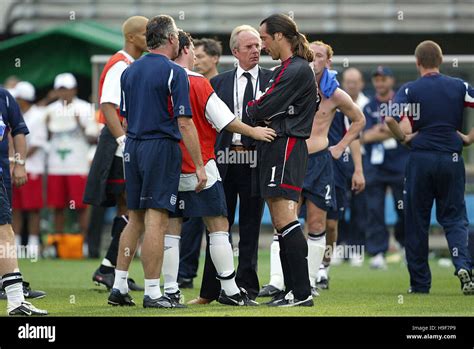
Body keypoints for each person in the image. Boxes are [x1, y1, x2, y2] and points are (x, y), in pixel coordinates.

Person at [162, 30, 276, 307]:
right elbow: (220, 120)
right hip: (215, 160)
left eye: (258, 45)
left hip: (248, 160)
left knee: (245, 227)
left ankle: (165, 291)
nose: (255, 50)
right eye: (248, 46)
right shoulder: (209, 82)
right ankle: (219, 290)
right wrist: (252, 131)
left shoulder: (272, 80)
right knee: (216, 224)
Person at [107, 15, 206, 309]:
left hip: (132, 147)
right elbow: (185, 122)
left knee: (134, 218)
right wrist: (199, 165)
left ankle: (118, 286)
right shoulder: (174, 72)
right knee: (156, 218)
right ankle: (152, 292)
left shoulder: (129, 71)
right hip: (160, 147)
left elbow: (123, 116)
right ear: (172, 39)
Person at [386, 40, 474, 295]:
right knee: (455, 218)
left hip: (421, 158)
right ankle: (462, 265)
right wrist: (468, 138)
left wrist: (403, 138)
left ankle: (420, 284)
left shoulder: (411, 89)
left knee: (417, 221)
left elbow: (391, 117)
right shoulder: (459, 86)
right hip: (451, 157)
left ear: (417, 63)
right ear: (441, 60)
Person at [246, 14, 318, 307]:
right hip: (279, 145)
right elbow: (267, 107)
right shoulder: (285, 69)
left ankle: (302, 293)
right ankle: (292, 291)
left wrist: (256, 108)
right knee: (280, 220)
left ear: (279, 36)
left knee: (286, 218)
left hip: (287, 144)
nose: (262, 46)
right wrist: (263, 109)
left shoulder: (297, 70)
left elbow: (260, 106)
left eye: (263, 38)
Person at [84, 15, 148, 291]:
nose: (150, 39)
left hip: (123, 141)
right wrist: (122, 141)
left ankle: (109, 268)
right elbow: (108, 105)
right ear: (131, 37)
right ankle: (109, 268)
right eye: (146, 34)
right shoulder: (119, 65)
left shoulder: (130, 64)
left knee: (131, 208)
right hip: (118, 142)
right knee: (133, 207)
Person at [0, 87, 47, 315]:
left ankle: (14, 296)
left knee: (4, 231)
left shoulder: (4, 97)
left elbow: (18, 131)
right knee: (4, 232)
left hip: (2, 173)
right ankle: (16, 300)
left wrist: (19, 163)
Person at [360, 66, 409, 269]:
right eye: (377, 80)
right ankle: (378, 252)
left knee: (404, 208)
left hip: (400, 164)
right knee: (374, 209)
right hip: (375, 165)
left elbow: (406, 129)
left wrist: (381, 129)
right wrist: (390, 129)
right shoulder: (369, 105)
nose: (380, 83)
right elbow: (364, 136)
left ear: (391, 80)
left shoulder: (400, 102)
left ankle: (405, 245)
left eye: (384, 79)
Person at [45, 73, 99, 243]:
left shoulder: (84, 108)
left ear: (74, 89)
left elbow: (94, 138)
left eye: (67, 89)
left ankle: (83, 243)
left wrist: (80, 125)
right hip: (55, 165)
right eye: (60, 90)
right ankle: (58, 244)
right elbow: (42, 138)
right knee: (57, 207)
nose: (64, 93)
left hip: (78, 165)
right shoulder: (49, 110)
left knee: (81, 207)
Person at [9, 82, 47, 251]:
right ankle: (15, 244)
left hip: (33, 169)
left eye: (17, 98)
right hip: (15, 167)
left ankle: (32, 245)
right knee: (15, 208)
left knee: (33, 209)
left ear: (24, 99)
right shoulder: (13, 115)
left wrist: (18, 160)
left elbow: (36, 143)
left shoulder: (38, 115)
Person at [339, 68, 370, 267]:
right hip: (339, 159)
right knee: (338, 204)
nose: (351, 85)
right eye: (348, 81)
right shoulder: (335, 101)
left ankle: (357, 248)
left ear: (361, 83)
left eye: (355, 81)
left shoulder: (367, 105)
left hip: (362, 159)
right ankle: (339, 246)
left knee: (360, 206)